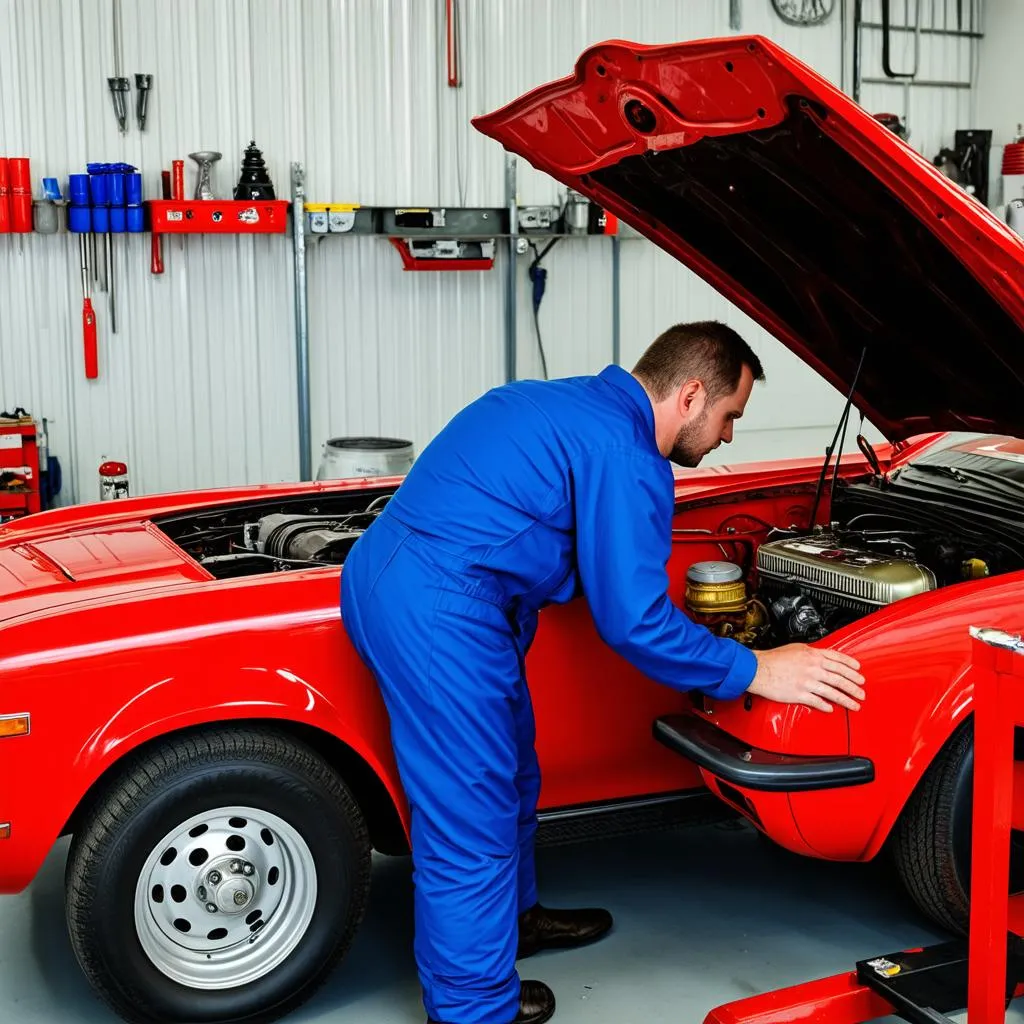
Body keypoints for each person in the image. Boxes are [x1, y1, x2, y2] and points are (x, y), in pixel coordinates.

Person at [340, 321, 865, 1024]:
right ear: (690, 394)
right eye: (730, 417)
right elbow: (636, 623)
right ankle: (470, 1008)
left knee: (513, 775)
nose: (729, 439)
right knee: (471, 813)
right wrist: (755, 668)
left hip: (409, 579)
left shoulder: (563, 403)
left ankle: (512, 924)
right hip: (441, 609)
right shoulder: (626, 454)